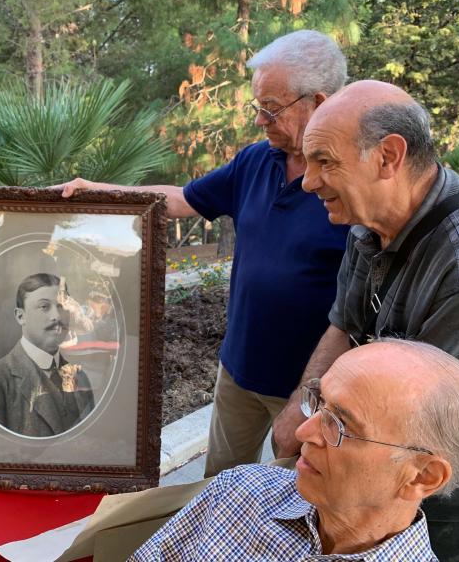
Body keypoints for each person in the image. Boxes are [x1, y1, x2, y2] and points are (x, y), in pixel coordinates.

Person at [59, 30, 350, 476]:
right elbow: (180, 200)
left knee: (298, 502)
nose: (260, 121)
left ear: (320, 102)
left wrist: (313, 394)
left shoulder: (354, 181)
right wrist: (97, 191)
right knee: (219, 486)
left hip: (307, 387)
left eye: (271, 109)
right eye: (258, 107)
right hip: (238, 371)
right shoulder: (255, 161)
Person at [272, 79, 459, 560]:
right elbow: (344, 324)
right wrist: (298, 415)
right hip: (380, 479)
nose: (308, 181)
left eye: (325, 161)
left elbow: (437, 439)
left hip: (457, 510)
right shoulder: (370, 221)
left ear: (388, 156)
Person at [131, 339, 459, 561]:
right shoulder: (239, 493)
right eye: (319, 404)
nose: (304, 432)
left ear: (422, 476)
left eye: (341, 425)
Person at [0, 273, 95, 437]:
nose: (56, 316)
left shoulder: (79, 377)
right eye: (44, 307)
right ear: (21, 316)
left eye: (61, 306)